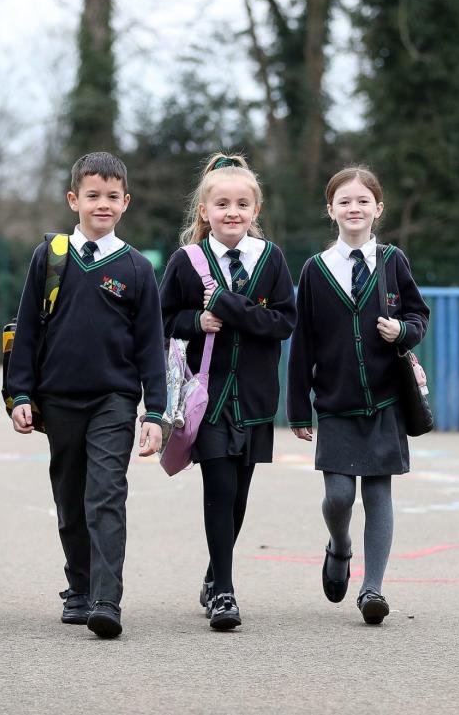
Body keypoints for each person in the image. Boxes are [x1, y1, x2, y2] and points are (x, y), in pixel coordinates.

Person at [4, 151, 166, 639]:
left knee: (106, 495)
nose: (102, 204)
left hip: (113, 401)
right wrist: (19, 394)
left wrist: (155, 412)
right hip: (58, 402)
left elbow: (150, 347)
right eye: (92, 195)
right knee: (70, 499)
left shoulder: (137, 268)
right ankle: (77, 587)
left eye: (112, 197)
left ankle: (105, 599)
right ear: (74, 199)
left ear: (126, 203)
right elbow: (28, 330)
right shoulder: (49, 257)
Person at [286, 165, 429, 625]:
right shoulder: (314, 270)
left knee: (379, 494)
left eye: (363, 201)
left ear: (377, 209)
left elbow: (418, 315)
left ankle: (373, 590)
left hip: (385, 400)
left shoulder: (393, 261)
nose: (354, 208)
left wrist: (402, 329)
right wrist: (296, 407)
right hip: (335, 403)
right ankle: (340, 546)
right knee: (340, 497)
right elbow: (302, 342)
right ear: (331, 210)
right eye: (344, 201)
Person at [159, 153, 296, 631]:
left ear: (255, 210)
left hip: (256, 397)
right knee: (218, 488)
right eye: (222, 204)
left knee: (239, 493)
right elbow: (163, 318)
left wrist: (227, 306)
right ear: (204, 211)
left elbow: (282, 322)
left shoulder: (271, 259)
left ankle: (214, 572)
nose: (232, 211)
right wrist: (197, 320)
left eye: (242, 203)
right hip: (208, 397)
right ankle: (225, 593)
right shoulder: (186, 261)